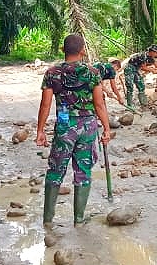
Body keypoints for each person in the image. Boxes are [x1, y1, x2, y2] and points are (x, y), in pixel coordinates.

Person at [36, 34, 112, 227]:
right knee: (83, 171)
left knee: (55, 170)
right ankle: (78, 220)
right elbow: (99, 104)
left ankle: (48, 220)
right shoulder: (93, 73)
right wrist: (106, 128)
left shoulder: (52, 73)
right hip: (87, 126)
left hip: (64, 127)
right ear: (82, 51)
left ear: (63, 51)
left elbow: (45, 104)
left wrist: (40, 131)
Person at [123, 44, 157, 110]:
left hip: (136, 69)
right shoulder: (143, 55)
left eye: (156, 52)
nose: (155, 53)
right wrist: (152, 70)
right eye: (154, 52)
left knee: (141, 85)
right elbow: (143, 67)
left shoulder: (151, 57)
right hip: (129, 68)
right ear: (151, 51)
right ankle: (129, 105)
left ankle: (143, 103)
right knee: (130, 86)